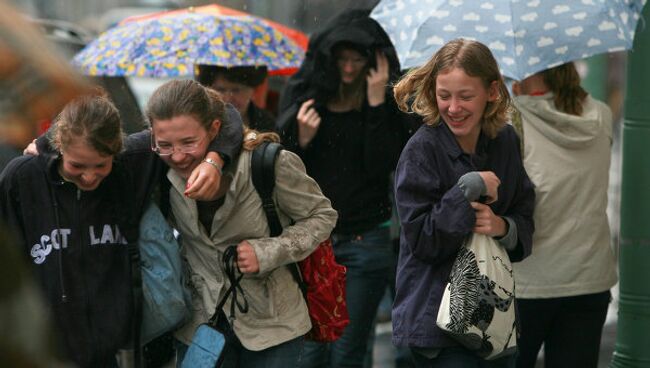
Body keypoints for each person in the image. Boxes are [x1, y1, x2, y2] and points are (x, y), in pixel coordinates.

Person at [1, 89, 240, 367]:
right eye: (77, 165)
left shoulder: (132, 163)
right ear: (59, 147)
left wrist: (215, 160)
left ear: (116, 151)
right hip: (44, 351)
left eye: (101, 166)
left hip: (112, 351)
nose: (89, 177)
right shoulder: (22, 178)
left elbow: (226, 113)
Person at [144, 79, 337, 368]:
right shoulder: (157, 170)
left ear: (214, 130)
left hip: (274, 324)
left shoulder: (267, 164)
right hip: (200, 323)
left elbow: (323, 216)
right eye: (165, 145)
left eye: (188, 142)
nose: (178, 156)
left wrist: (269, 251)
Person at [391, 38, 536, 367]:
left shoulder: (505, 141)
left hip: (493, 325)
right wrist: (468, 188)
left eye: (465, 96)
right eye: (444, 96)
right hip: (438, 330)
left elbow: (525, 216)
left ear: (492, 91)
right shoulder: (421, 149)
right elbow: (424, 240)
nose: (453, 108)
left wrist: (503, 227)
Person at [276, 9, 408, 368]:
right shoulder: (308, 100)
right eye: (342, 59)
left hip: (367, 238)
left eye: (357, 59)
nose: (349, 68)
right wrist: (300, 141)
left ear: (374, 61)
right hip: (313, 242)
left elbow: (383, 165)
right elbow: (284, 174)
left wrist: (378, 101)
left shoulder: (380, 103)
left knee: (347, 350)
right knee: (312, 350)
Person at [510, 63, 617, 368]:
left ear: (530, 73)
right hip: (588, 279)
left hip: (527, 282)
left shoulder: (512, 118)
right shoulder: (601, 115)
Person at [197, 65, 276, 132]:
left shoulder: (267, 124)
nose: (228, 99)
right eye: (220, 90)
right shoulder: (200, 123)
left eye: (236, 90)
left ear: (253, 90)